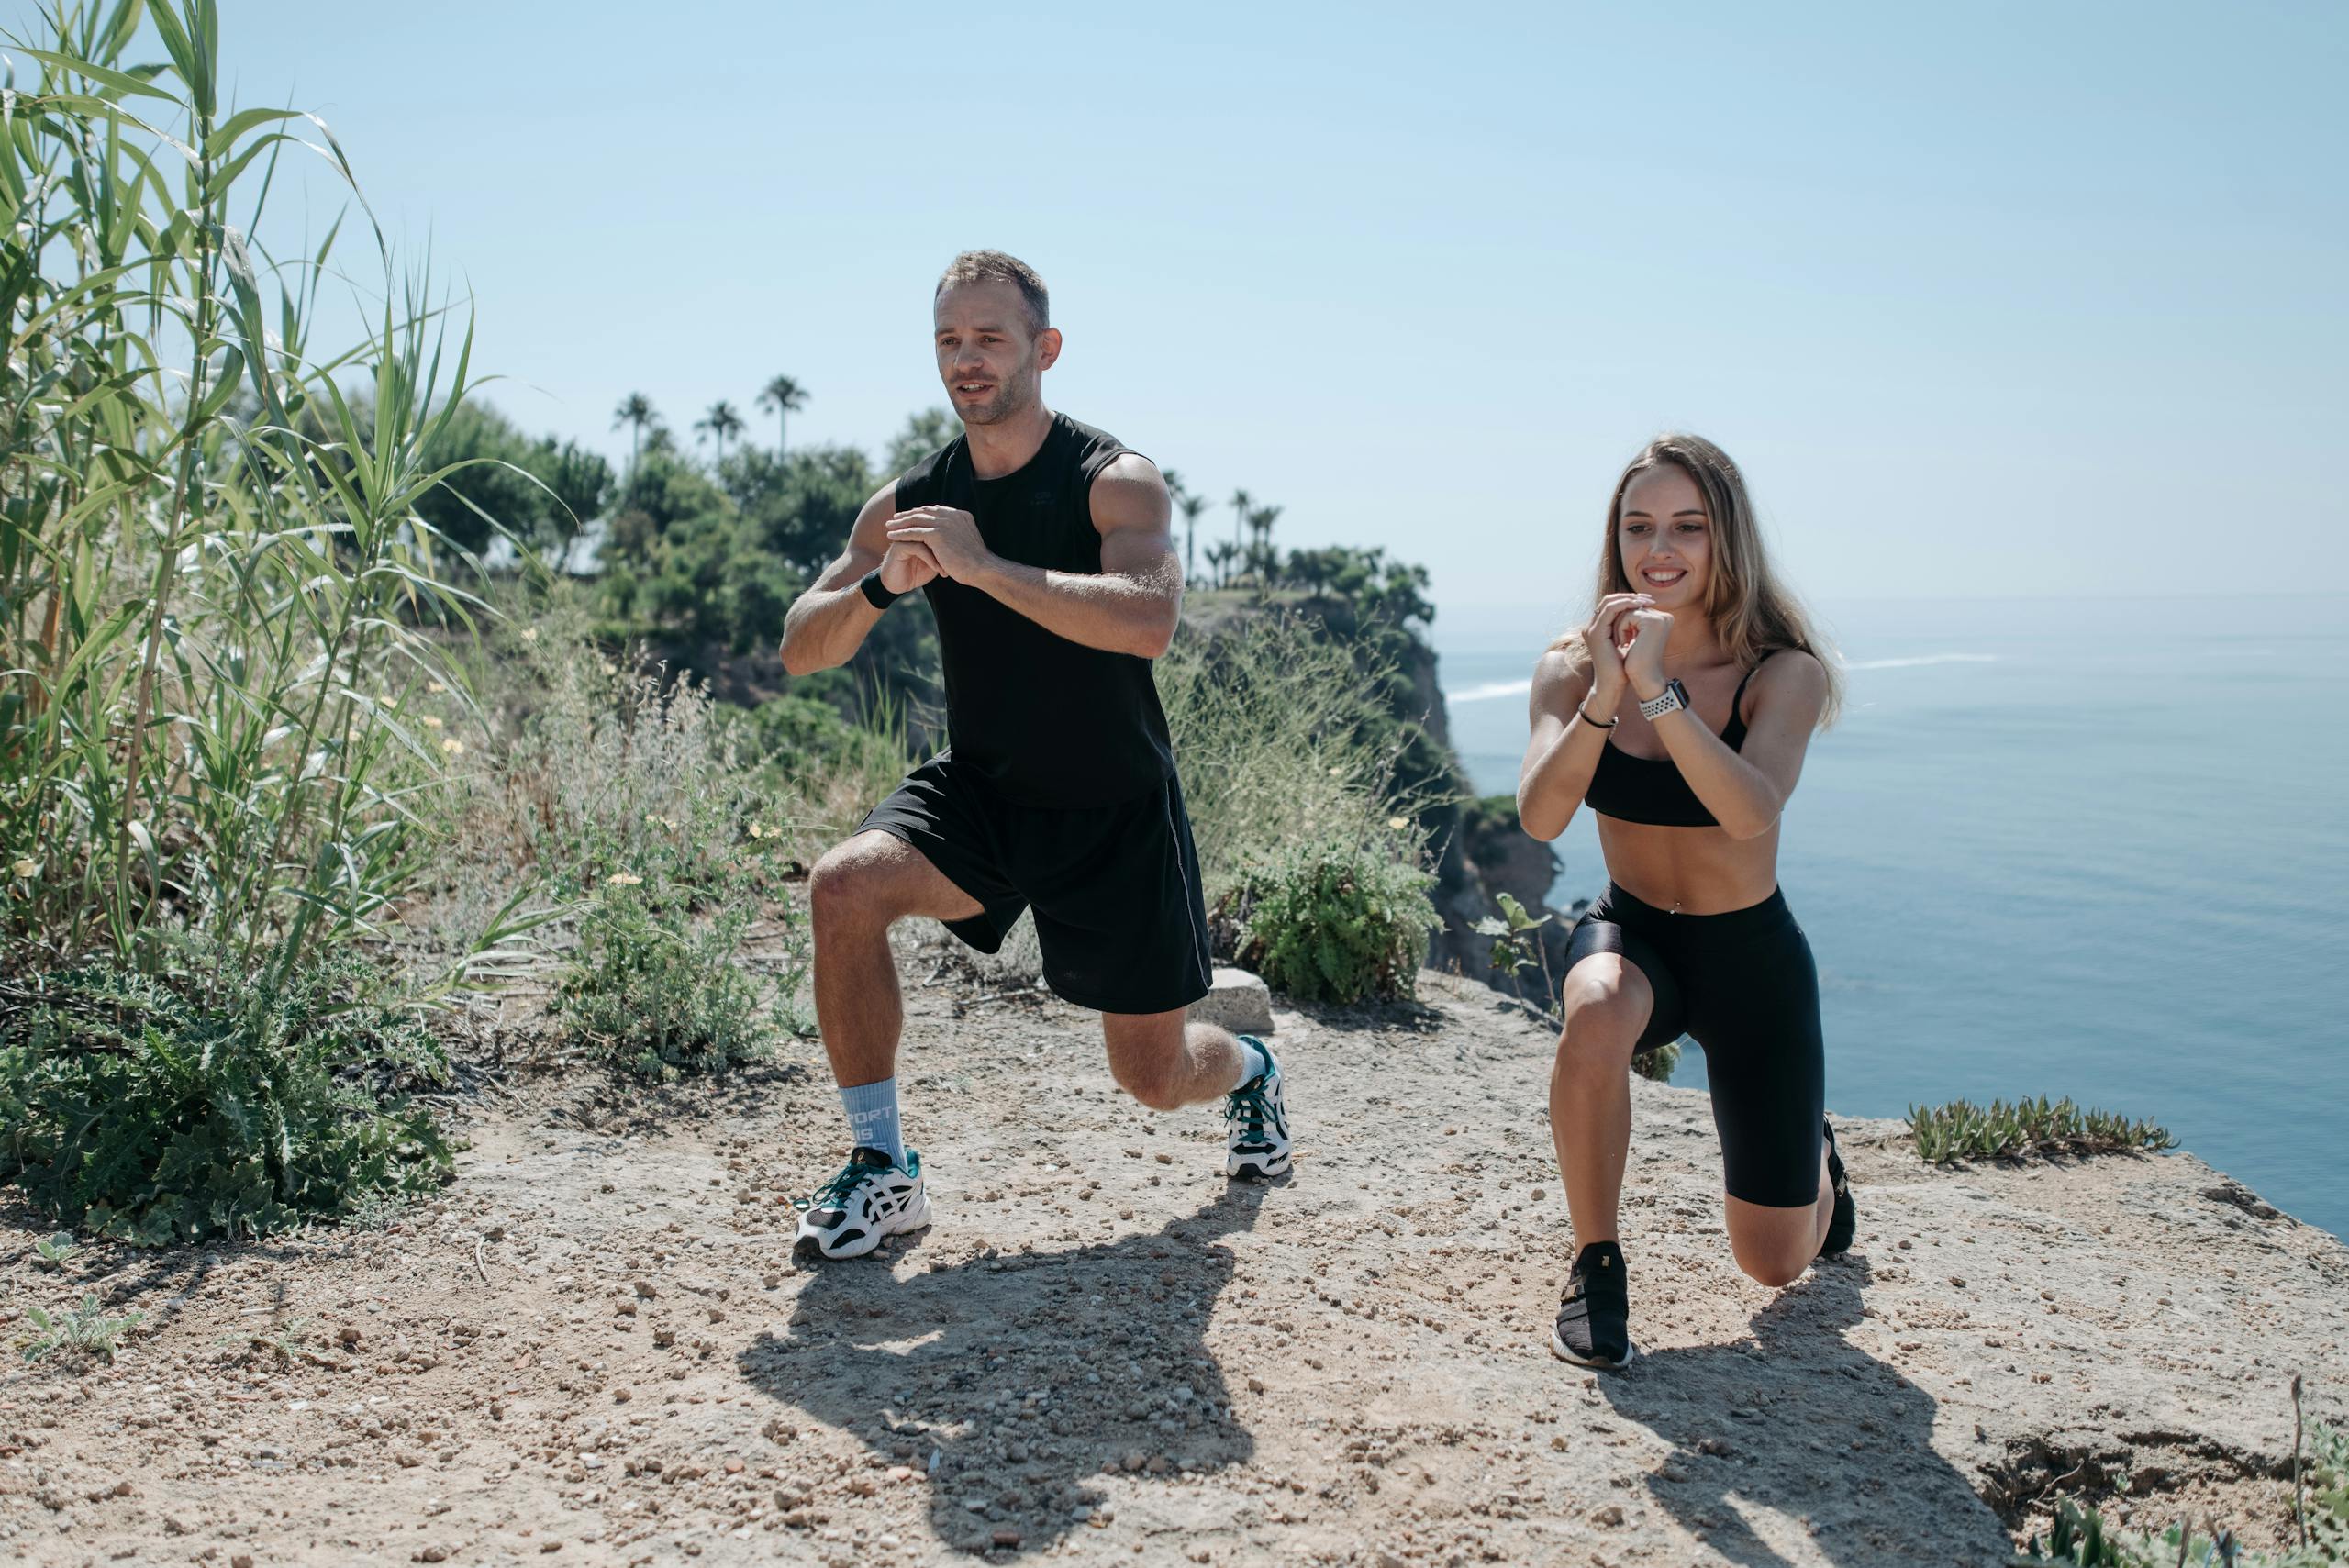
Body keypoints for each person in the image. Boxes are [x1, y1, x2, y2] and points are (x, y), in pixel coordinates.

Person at [776, 250, 1289, 1261]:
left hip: (1113, 810)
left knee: (1154, 1077)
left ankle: (1255, 1069)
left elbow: (1149, 620)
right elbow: (801, 645)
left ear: (1043, 350)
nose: (966, 360)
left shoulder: (1114, 481)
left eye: (989, 338)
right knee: (842, 887)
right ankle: (884, 1169)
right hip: (984, 789)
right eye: (947, 340)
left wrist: (983, 566)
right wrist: (884, 586)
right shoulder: (910, 499)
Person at [1515, 434, 1854, 1367]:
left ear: (1725, 540)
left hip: (1750, 955)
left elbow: (1749, 813)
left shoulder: (1780, 672)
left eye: (1686, 526)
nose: (1658, 548)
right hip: (1634, 933)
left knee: (1775, 1262)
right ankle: (1595, 1262)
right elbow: (1542, 818)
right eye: (1638, 526)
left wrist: (1659, 692)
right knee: (1591, 1006)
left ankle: (1816, 1169)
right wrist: (1607, 690)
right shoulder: (1569, 667)